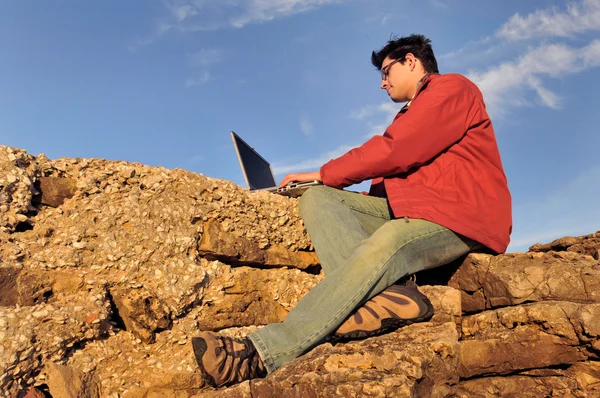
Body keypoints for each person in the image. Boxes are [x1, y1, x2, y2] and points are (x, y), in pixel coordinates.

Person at [191, 34, 512, 388]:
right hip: (416, 211)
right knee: (320, 199)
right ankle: (389, 297)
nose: (382, 82)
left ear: (411, 61)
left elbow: (396, 150)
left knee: (389, 238)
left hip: (460, 218)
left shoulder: (452, 88)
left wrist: (322, 172)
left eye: (387, 71)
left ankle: (260, 353)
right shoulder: (415, 111)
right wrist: (321, 188)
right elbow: (393, 177)